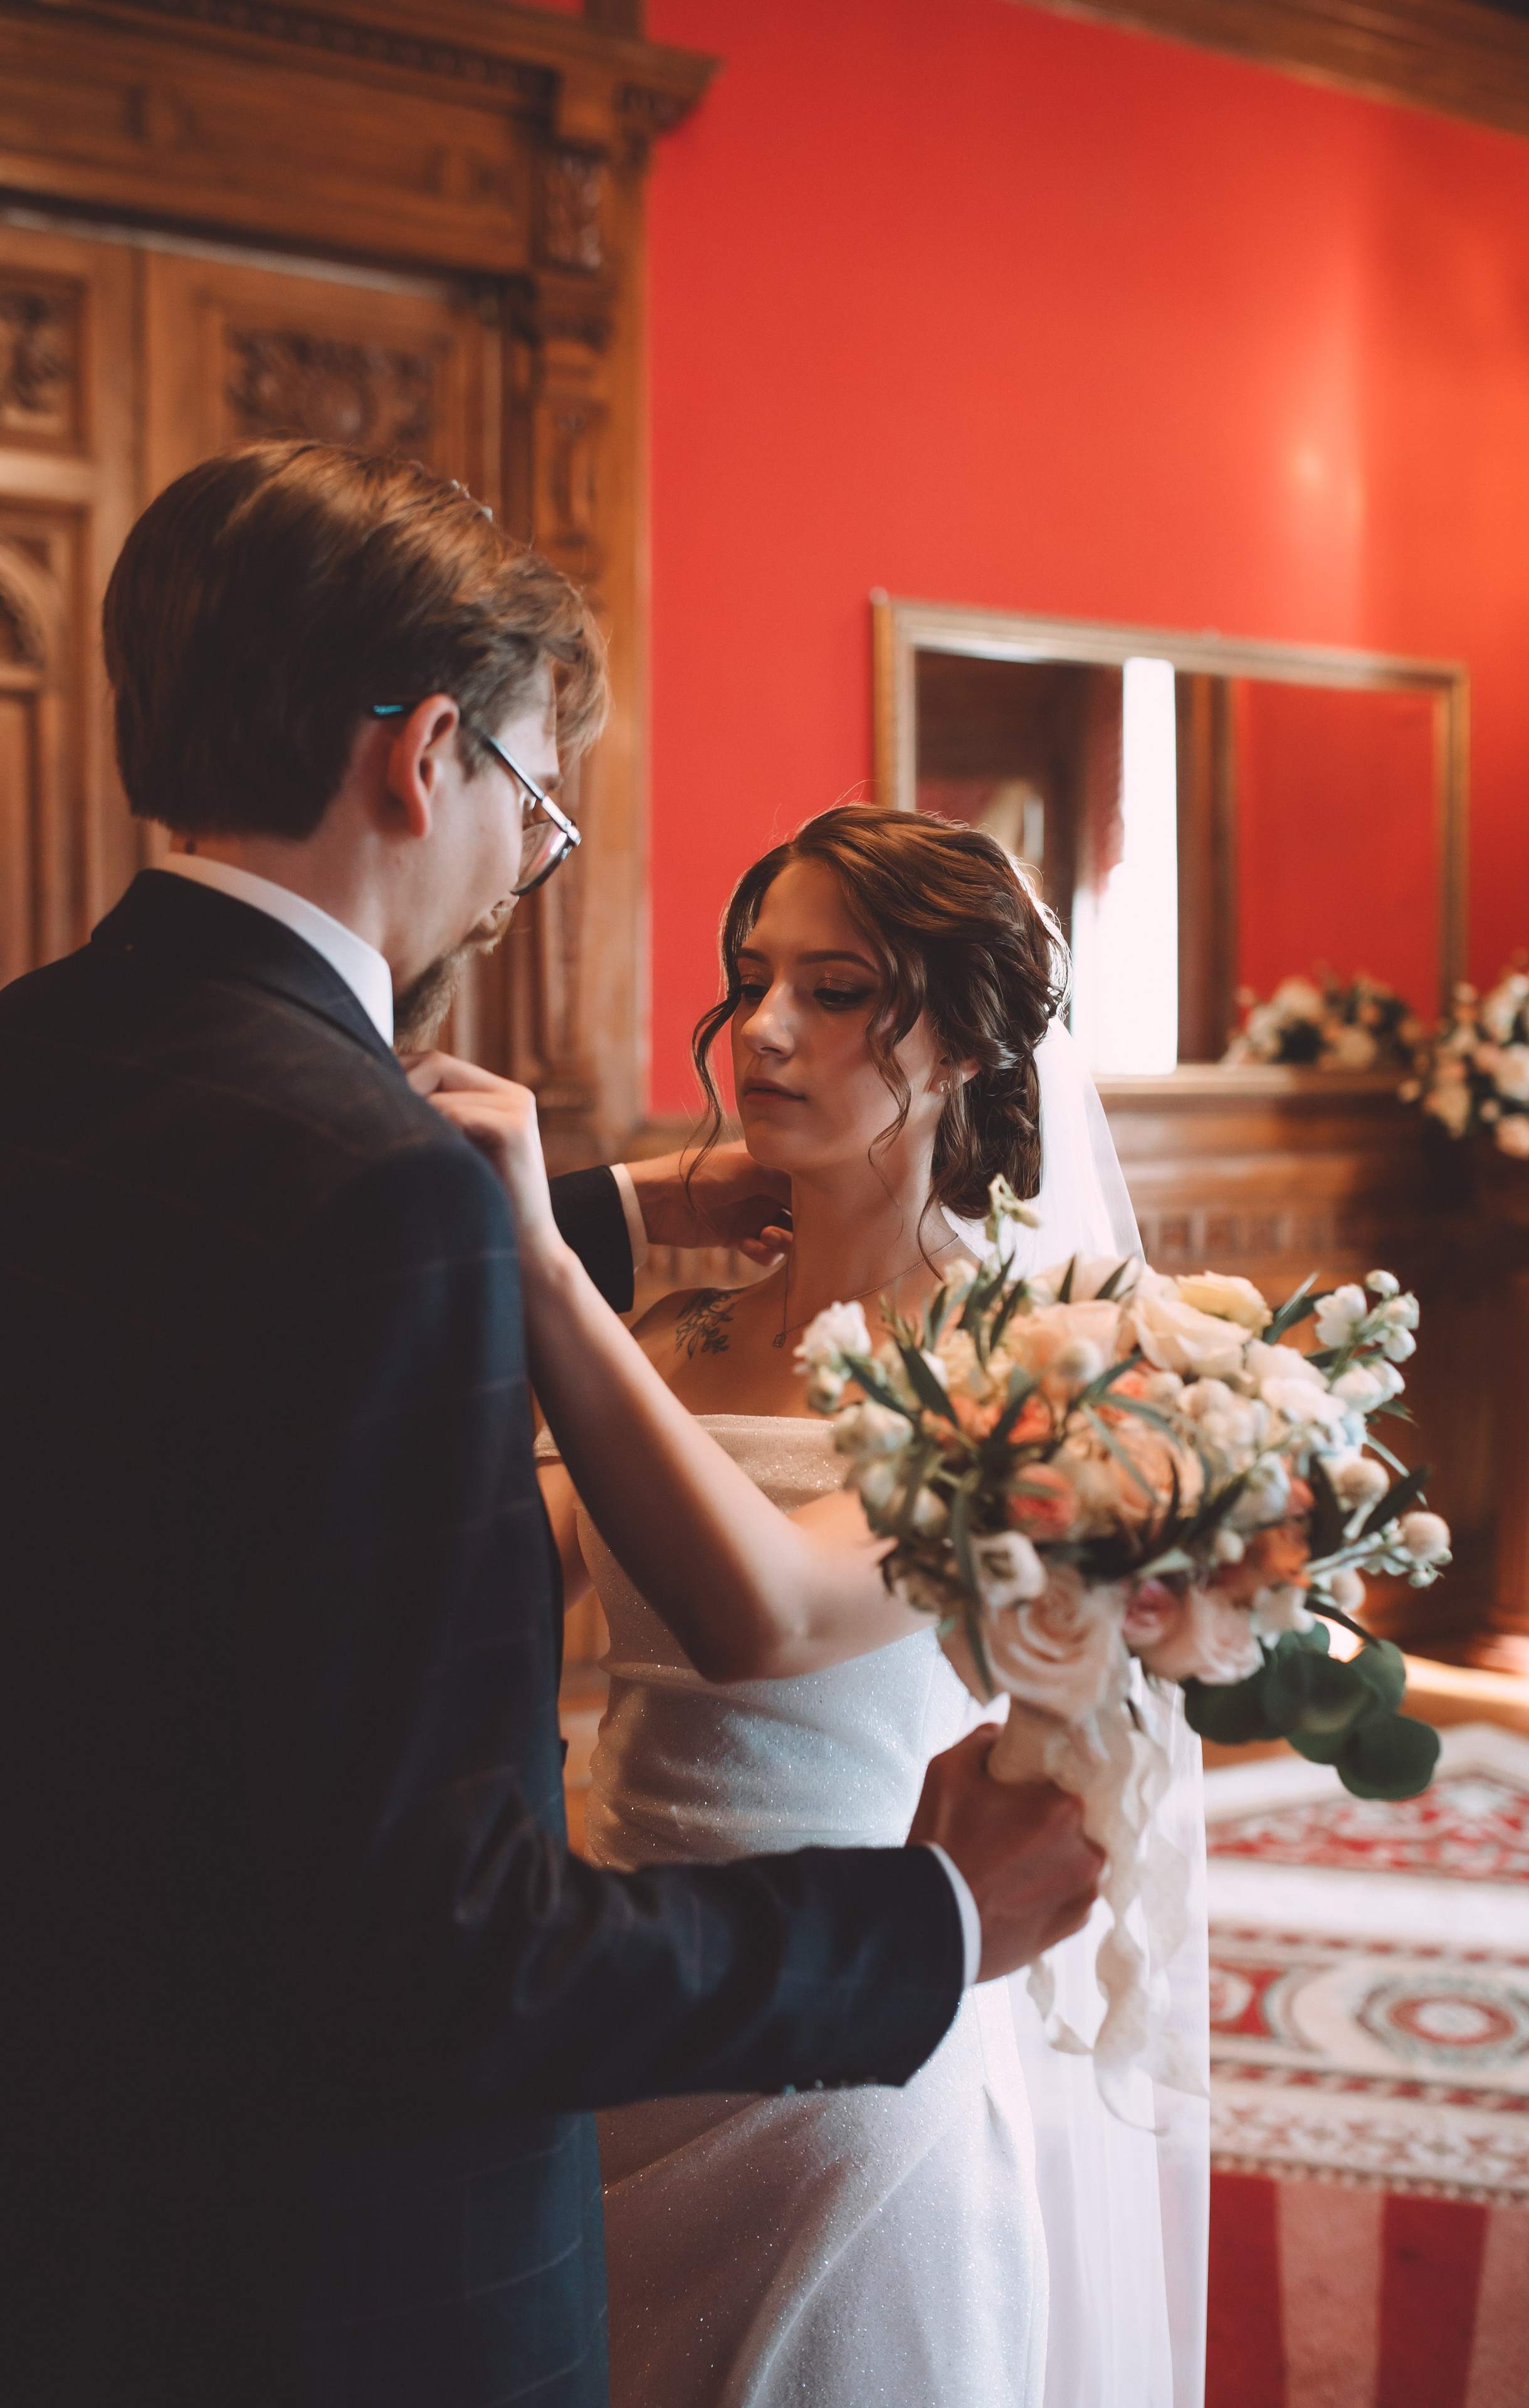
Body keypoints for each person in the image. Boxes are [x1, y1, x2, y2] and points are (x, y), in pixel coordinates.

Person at [0, 445, 1104, 2408]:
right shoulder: (403, 1206)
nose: (532, 858)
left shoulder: (35, 1060)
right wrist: (932, 1922)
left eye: (829, 995)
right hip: (339, 2243)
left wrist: (569, 1219)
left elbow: (244, 1343)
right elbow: (430, 1933)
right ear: (428, 759)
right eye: (535, 795)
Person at [447, 806, 1209, 2407]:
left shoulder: (1038, 1360)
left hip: (852, 2043)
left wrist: (537, 1256)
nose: (770, 1030)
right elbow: (502, 1585)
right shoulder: (674, 1331)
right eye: (753, 980)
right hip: (623, 1998)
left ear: (969, 1038)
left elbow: (768, 1614)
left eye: (841, 989)